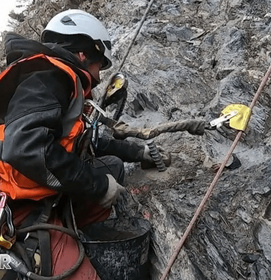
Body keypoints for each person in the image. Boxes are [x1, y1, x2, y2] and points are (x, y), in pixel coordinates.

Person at [0, 9, 162, 279]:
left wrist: (138, 151)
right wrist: (95, 185)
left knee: (111, 167)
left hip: (37, 190)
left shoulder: (58, 81)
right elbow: (25, 147)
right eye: (101, 64)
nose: (99, 75)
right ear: (84, 53)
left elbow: (87, 139)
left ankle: (81, 236)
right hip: (19, 208)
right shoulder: (48, 77)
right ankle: (56, 250)